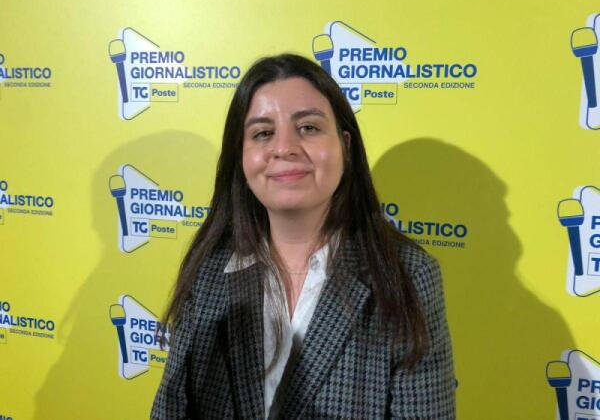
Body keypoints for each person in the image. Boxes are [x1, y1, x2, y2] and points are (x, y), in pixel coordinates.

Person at [151, 53, 455, 419]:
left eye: (308, 128)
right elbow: (171, 409)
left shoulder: (407, 275)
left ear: (345, 146)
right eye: (263, 133)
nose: (284, 148)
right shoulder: (209, 270)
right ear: (241, 156)